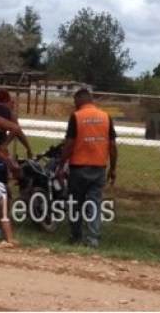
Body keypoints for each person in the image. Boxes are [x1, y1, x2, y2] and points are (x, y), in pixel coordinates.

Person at [55, 88, 118, 248]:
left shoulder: (76, 117)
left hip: (78, 167)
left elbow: (69, 144)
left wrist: (61, 165)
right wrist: (113, 168)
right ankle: (92, 239)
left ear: (78, 101)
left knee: (75, 203)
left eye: (75, 102)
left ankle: (75, 236)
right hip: (99, 167)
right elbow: (112, 146)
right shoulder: (105, 117)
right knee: (94, 203)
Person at [0, 88, 33, 159]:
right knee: (12, 166)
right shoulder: (7, 111)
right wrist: (28, 149)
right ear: (6, 100)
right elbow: (18, 132)